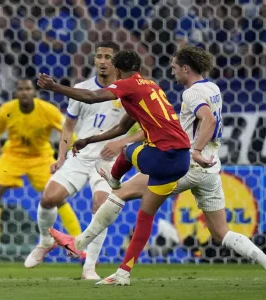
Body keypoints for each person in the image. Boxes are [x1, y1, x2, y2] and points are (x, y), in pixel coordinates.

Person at [50, 46, 266, 285]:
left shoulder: (191, 93)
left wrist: (196, 150)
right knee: (221, 233)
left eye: (175, 68)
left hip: (186, 161)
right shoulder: (213, 89)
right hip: (212, 168)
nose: (172, 72)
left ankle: (82, 244)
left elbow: (208, 119)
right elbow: (162, 123)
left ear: (186, 68)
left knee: (120, 193)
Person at [37, 49, 191, 280]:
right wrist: (89, 139)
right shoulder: (149, 86)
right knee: (142, 216)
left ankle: (113, 179)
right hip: (181, 158)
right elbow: (121, 128)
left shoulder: (129, 85)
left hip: (164, 155)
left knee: (127, 151)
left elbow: (90, 97)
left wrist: (55, 87)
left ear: (117, 70)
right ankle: (121, 272)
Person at [25, 42, 141, 280]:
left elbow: (140, 128)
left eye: (107, 56)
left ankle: (89, 266)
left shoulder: (127, 91)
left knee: (100, 206)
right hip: (80, 156)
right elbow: (68, 126)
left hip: (108, 162)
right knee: (49, 198)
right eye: (98, 56)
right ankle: (46, 241)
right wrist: (60, 157)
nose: (102, 60)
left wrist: (122, 144)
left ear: (116, 62)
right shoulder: (81, 88)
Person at [0, 79, 81, 263]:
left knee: (56, 197)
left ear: (34, 92)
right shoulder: (7, 110)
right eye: (21, 89)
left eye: (28, 89)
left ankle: (79, 245)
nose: (25, 92)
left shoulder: (48, 110)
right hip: (13, 155)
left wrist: (71, 154)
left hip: (41, 156)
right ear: (16, 93)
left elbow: (68, 131)